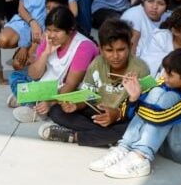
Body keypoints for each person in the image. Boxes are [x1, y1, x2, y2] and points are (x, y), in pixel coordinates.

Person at [88, 47, 181, 178]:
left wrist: (138, 104)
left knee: (171, 97)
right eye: (164, 71)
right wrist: (134, 98)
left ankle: (141, 157)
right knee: (157, 91)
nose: (164, 77)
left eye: (169, 74)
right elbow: (127, 113)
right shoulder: (167, 83)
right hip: (166, 145)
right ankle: (124, 148)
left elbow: (161, 118)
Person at [42, 18, 150, 147]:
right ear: (101, 49)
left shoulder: (141, 70)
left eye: (121, 50)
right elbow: (88, 96)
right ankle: (106, 137)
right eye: (109, 50)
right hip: (96, 113)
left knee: (136, 128)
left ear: (130, 47)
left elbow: (142, 110)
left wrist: (116, 115)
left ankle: (74, 136)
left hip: (122, 117)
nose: (115, 56)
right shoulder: (97, 64)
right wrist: (76, 106)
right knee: (56, 111)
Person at [11, 6, 100, 124]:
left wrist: (50, 102)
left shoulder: (83, 47)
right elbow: (34, 75)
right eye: (49, 29)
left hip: (72, 90)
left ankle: (34, 106)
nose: (52, 35)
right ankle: (31, 101)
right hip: (50, 85)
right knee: (16, 76)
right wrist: (45, 54)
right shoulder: (48, 39)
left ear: (71, 29)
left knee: (61, 107)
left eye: (57, 31)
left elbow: (71, 85)